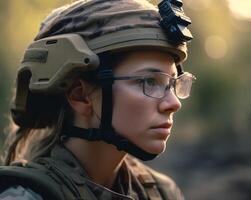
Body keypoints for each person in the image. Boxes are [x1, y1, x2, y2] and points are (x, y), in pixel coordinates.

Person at [0, 0, 195, 199]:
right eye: (149, 81)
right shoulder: (28, 196)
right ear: (81, 95)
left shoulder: (162, 192)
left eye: (172, 83)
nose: (173, 103)